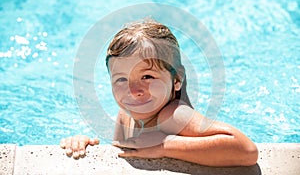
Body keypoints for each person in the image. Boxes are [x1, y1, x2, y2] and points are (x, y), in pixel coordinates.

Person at [60, 19, 258, 167]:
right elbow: (125, 153)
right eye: (121, 79)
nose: (134, 91)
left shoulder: (172, 115)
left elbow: (246, 150)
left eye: (147, 76)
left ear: (176, 79)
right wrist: (84, 143)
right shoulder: (125, 116)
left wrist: (163, 146)